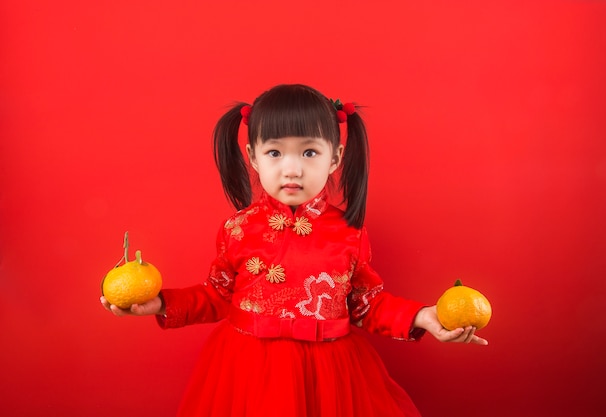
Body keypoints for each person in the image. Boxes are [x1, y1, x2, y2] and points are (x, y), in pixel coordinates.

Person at [100, 84, 488, 417]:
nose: (292, 169)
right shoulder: (237, 228)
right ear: (252, 156)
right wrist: (162, 303)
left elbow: (366, 303)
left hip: (329, 374)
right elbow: (217, 294)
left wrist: (424, 316)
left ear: (334, 158)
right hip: (246, 371)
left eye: (309, 153)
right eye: (275, 153)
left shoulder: (349, 233)